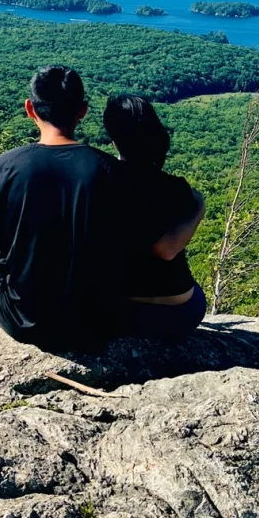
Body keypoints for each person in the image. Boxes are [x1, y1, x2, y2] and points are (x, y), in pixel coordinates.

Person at [0, 65, 118, 351]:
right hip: (96, 320)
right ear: (83, 111)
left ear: (30, 109)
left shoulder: (3, 168)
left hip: (24, 320)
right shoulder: (110, 170)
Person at [103, 93, 207, 339]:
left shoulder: (98, 180)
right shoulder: (176, 188)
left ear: (114, 140)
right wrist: (200, 206)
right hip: (177, 312)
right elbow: (167, 250)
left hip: (115, 308)